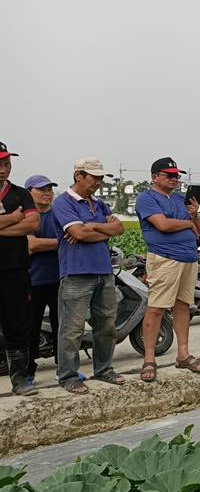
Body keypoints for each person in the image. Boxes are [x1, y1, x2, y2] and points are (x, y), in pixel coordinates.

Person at [51, 158, 125, 394]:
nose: (98, 182)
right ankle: (68, 375)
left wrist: (90, 226)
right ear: (78, 176)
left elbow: (118, 228)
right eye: (93, 177)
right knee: (72, 329)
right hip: (76, 272)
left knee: (106, 325)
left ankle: (103, 369)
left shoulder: (99, 203)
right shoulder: (62, 202)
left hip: (103, 271)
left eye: (100, 177)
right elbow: (77, 233)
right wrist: (100, 227)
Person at [134, 157, 200, 381]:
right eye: (169, 175)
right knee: (156, 307)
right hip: (165, 258)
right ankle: (149, 358)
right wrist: (187, 223)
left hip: (188, 257)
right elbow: (163, 225)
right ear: (155, 177)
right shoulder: (147, 198)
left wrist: (194, 215)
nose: (174, 179)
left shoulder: (180, 200)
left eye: (177, 175)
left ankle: (183, 353)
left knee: (183, 306)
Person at [0, 143, 41, 396]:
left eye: (7, 164)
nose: (3, 169)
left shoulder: (20, 194)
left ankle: (20, 379)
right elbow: (21, 221)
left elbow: (32, 223)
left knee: (18, 324)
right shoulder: (16, 206)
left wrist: (19, 221)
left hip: (14, 269)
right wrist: (13, 218)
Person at [25, 174, 60, 386]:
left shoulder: (58, 214)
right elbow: (30, 245)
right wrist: (61, 242)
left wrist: (42, 243)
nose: (47, 193)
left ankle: (63, 368)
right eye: (41, 189)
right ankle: (28, 371)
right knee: (31, 328)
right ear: (29, 192)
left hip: (59, 279)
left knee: (62, 327)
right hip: (33, 281)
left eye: (50, 189)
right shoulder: (26, 216)